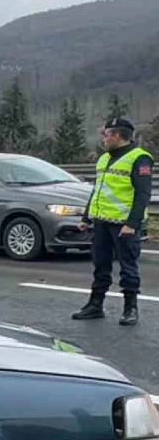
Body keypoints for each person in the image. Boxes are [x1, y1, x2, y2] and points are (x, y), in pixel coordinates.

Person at [73, 117, 153, 325]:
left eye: (106, 134)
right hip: (101, 221)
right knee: (100, 264)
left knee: (128, 267)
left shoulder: (139, 158)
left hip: (124, 224)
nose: (104, 138)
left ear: (117, 135)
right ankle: (95, 305)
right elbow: (98, 190)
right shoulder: (104, 158)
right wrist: (86, 217)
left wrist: (132, 224)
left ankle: (130, 308)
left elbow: (143, 194)